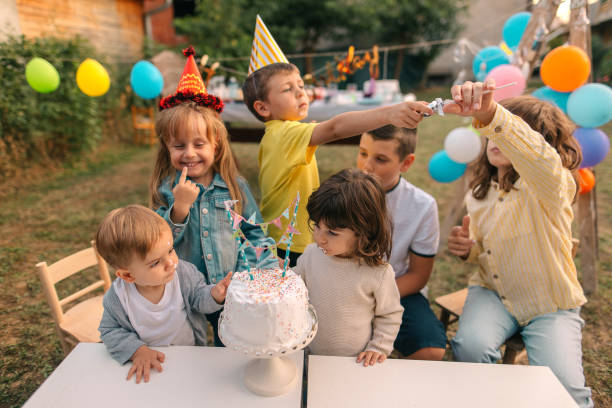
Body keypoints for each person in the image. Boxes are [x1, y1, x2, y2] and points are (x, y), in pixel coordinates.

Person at [445, 80, 592, 408]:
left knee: (566, 391)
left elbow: (539, 159)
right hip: (492, 294)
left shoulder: (551, 184)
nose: (495, 137)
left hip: (550, 304)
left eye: (515, 130)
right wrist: (468, 250)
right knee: (469, 347)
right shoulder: (478, 195)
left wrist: (495, 115)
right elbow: (484, 254)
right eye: (493, 131)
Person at [242, 62, 432, 267]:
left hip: (287, 238)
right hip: (291, 244)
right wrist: (388, 114)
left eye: (300, 86)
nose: (299, 93)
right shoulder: (284, 134)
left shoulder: (280, 134)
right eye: (288, 89)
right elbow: (335, 128)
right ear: (263, 107)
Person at [150, 47, 277, 346]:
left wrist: (253, 275)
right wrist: (178, 210)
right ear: (167, 147)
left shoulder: (234, 188)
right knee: (190, 351)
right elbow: (154, 246)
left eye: (198, 143)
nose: (189, 153)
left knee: (231, 346)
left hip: (230, 291)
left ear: (216, 143)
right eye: (179, 145)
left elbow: (254, 235)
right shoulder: (166, 191)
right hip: (183, 293)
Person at [96, 205, 232, 383]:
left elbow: (198, 297)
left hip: (190, 355)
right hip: (151, 365)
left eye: (170, 250)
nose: (171, 263)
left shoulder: (183, 274)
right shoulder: (118, 298)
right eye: (155, 263)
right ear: (128, 275)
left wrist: (214, 294)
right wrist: (137, 350)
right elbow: (110, 330)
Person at [294, 169, 403, 367]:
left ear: (363, 231)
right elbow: (291, 287)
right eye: (317, 226)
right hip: (310, 353)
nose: (320, 237)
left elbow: (389, 314)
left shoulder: (378, 273)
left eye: (332, 233)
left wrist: (378, 347)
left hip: (355, 361)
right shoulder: (311, 255)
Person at [357, 125, 446, 361]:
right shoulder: (341, 192)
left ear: (406, 163)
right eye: (363, 153)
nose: (367, 166)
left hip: (397, 290)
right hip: (344, 288)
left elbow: (418, 275)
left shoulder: (423, 206)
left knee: (431, 351)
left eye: (381, 159)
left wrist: (376, 301)